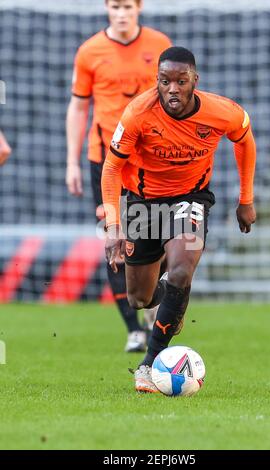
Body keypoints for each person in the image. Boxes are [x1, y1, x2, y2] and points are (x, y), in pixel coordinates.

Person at [101, 46, 256, 392]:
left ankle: (149, 363)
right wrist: (113, 226)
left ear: (193, 81)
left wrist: (246, 199)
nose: (173, 88)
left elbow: (245, 141)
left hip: (190, 198)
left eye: (181, 81)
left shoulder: (222, 112)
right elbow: (112, 168)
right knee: (140, 298)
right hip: (142, 202)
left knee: (182, 270)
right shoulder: (138, 113)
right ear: (156, 80)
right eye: (165, 81)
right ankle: (174, 300)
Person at [66, 0, 171, 352]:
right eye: (115, 6)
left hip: (150, 160)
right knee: (113, 240)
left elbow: (172, 100)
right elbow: (79, 106)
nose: (121, 13)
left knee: (155, 238)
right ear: (107, 8)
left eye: (127, 5)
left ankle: (155, 309)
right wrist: (72, 162)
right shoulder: (89, 51)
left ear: (139, 7)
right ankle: (135, 329)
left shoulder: (159, 45)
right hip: (106, 162)